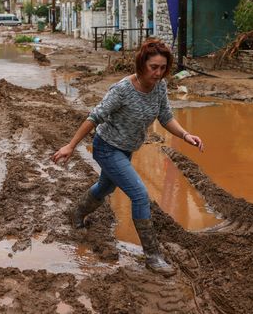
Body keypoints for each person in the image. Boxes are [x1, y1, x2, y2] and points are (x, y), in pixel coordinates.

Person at [52, 38, 204, 276]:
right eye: (153, 67)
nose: (158, 72)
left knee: (104, 188)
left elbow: (165, 117)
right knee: (140, 195)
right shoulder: (122, 90)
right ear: (141, 64)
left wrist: (186, 135)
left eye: (163, 68)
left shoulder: (160, 87)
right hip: (106, 147)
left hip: (126, 148)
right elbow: (94, 117)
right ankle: (153, 257)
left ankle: (78, 213)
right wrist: (71, 146)